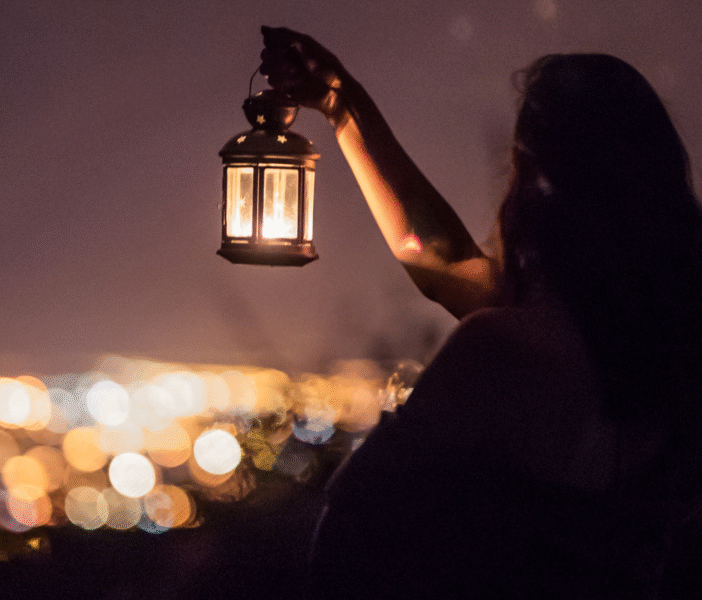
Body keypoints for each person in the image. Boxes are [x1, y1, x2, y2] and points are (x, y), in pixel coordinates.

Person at [260, 27, 702, 598]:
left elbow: (366, 518)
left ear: (540, 183)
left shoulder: (511, 347)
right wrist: (342, 106)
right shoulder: (664, 349)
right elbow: (443, 258)